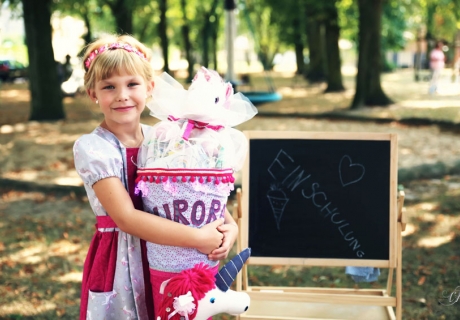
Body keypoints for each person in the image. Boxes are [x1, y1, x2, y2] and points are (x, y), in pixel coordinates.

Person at [73, 34, 231, 320]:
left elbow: (195, 187)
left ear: (149, 87)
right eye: (109, 86)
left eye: (132, 84)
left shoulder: (164, 137)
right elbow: (126, 218)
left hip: (172, 252)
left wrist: (226, 225)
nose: (122, 94)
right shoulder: (94, 147)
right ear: (93, 93)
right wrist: (198, 238)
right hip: (121, 259)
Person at [134, 67, 257, 318]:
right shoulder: (161, 134)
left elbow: (212, 198)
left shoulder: (218, 140)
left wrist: (230, 226)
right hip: (163, 258)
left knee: (201, 303)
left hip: (205, 258)